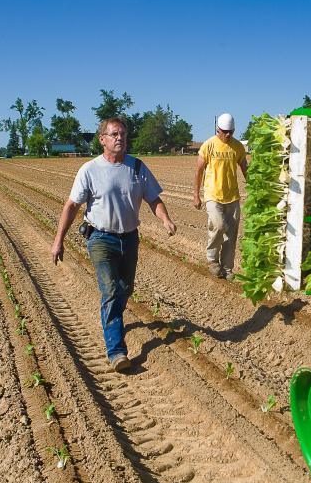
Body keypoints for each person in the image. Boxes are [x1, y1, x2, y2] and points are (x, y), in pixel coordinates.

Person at [51, 117, 176, 373]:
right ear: (102, 139)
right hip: (101, 238)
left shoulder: (137, 167)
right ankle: (117, 351)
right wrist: (58, 241)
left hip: (129, 238)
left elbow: (153, 199)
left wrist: (165, 220)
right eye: (114, 134)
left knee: (125, 288)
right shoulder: (89, 170)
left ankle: (112, 320)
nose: (120, 138)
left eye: (123, 134)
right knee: (110, 291)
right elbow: (72, 206)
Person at [193, 112, 248, 279]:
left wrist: (257, 187)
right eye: (225, 132)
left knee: (231, 234)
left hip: (232, 196)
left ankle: (228, 268)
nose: (228, 135)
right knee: (218, 226)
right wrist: (196, 195)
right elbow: (199, 171)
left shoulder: (238, 146)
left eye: (231, 131)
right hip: (213, 194)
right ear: (218, 129)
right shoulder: (208, 145)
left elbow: (245, 168)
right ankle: (212, 260)